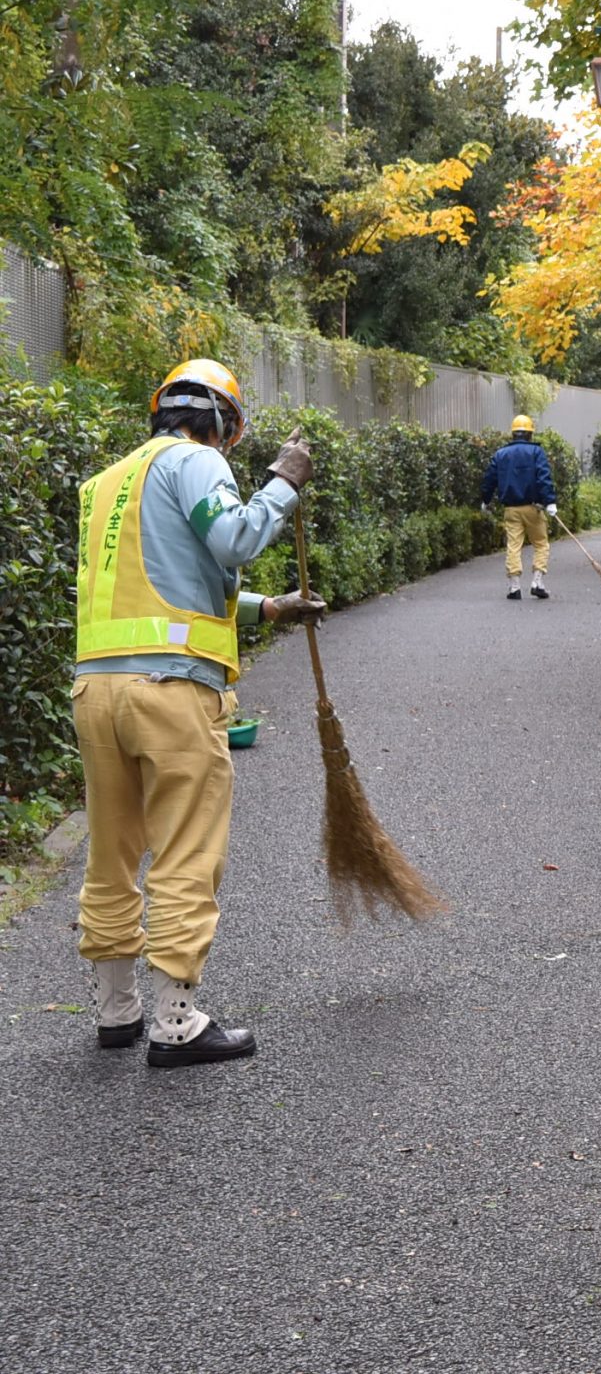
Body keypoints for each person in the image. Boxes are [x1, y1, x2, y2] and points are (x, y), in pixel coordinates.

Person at [71, 359, 325, 1067]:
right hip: (173, 693)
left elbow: (166, 587)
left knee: (111, 848)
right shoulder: (197, 460)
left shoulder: (107, 485)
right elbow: (237, 539)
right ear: (223, 422)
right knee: (186, 849)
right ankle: (176, 1020)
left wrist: (269, 608)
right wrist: (286, 482)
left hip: (97, 692)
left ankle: (116, 1010)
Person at [480, 415, 558, 601]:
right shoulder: (536, 452)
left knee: (513, 546)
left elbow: (490, 479)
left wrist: (486, 499)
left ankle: (514, 587)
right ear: (530, 434)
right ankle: (537, 582)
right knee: (541, 544)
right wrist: (550, 501)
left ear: (513, 434)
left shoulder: (500, 454)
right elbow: (543, 477)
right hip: (534, 508)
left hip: (511, 509)